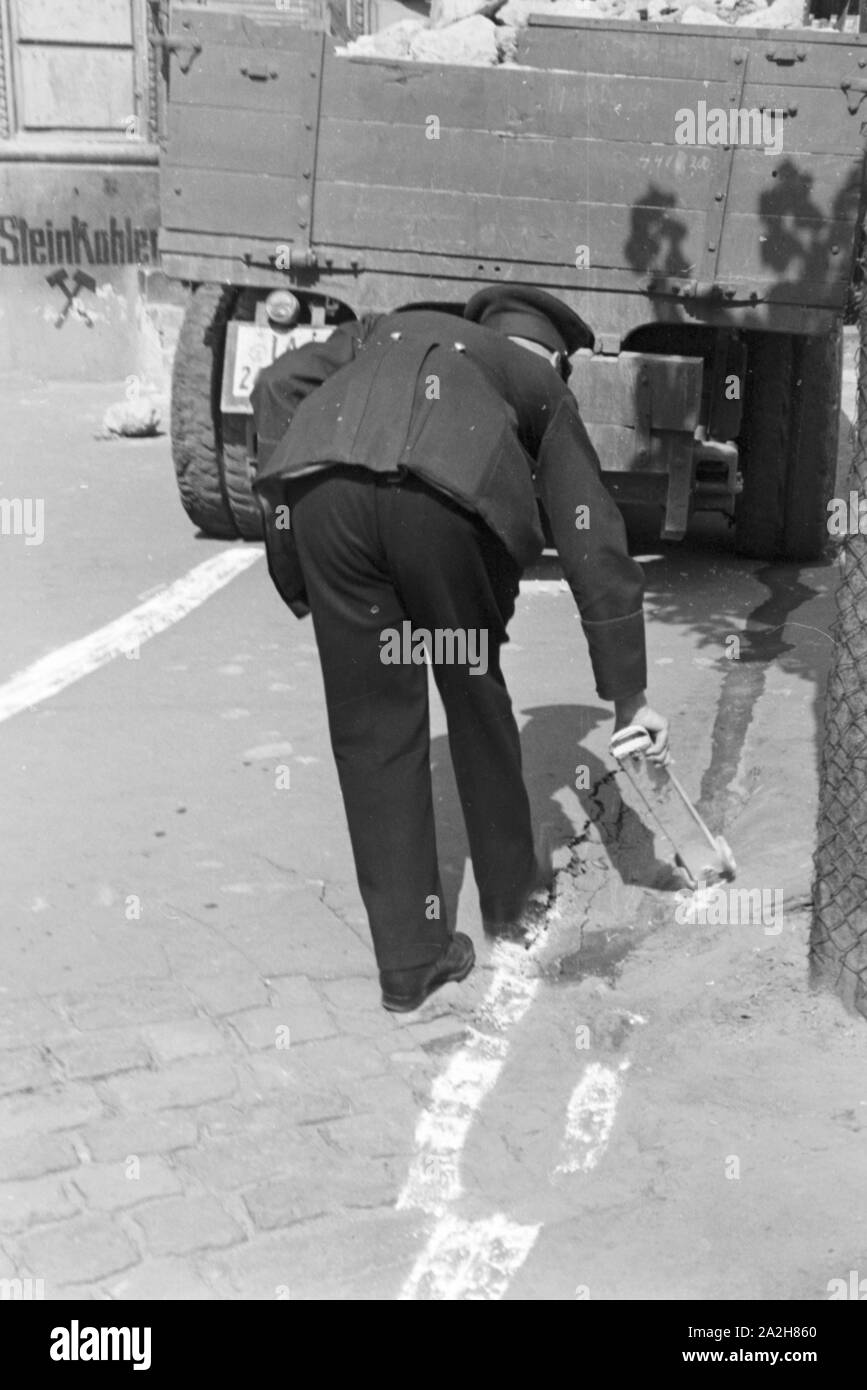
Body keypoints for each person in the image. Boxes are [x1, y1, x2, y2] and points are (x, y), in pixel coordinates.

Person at [250, 285, 669, 1012]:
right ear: (554, 357)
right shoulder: (537, 382)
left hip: (327, 502)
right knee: (473, 694)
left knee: (372, 729)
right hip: (441, 511)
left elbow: (276, 385)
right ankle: (514, 910)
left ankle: (409, 965)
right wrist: (628, 696)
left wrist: (286, 527)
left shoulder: (384, 329)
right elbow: (591, 538)